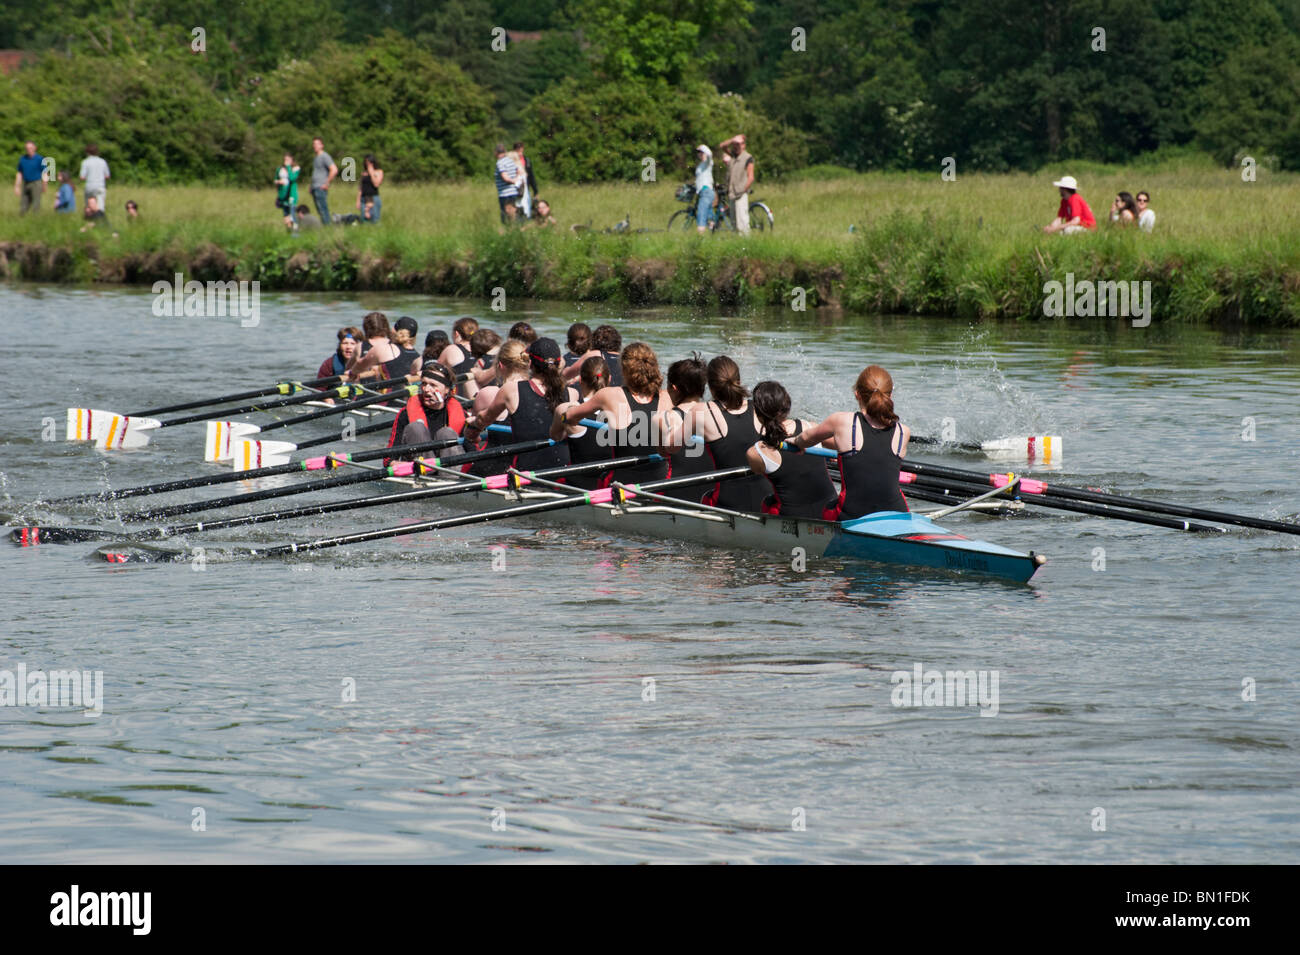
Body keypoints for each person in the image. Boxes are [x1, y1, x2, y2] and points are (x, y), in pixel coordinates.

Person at [787, 365, 911, 520]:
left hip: (852, 514)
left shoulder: (841, 420)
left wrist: (796, 442)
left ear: (857, 394)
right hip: (897, 513)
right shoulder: (903, 431)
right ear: (890, 395)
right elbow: (873, 451)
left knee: (826, 509)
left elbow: (806, 439)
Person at [554, 342, 672, 486]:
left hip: (621, 483)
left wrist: (566, 411)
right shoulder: (667, 397)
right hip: (660, 481)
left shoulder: (610, 394)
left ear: (623, 370)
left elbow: (571, 417)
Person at [673, 355, 769, 511]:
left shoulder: (701, 410)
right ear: (738, 381)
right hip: (766, 498)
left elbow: (671, 447)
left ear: (709, 387)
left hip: (727, 502)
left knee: (705, 497)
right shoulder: (760, 407)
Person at [465, 338, 573, 473]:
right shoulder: (572, 393)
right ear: (559, 363)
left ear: (530, 363)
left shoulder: (511, 390)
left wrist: (473, 428)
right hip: (562, 472)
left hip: (525, 475)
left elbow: (484, 419)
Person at [745, 381, 839, 520]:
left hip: (794, 519)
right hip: (830, 512)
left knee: (768, 502)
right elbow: (840, 445)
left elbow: (758, 471)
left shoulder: (756, 452)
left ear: (758, 414)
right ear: (787, 405)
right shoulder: (811, 428)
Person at [462, 339, 530, 476]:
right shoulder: (542, 393)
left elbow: (473, 437)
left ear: (500, 365)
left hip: (495, 469)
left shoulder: (488, 394)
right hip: (529, 467)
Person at [659, 355, 714, 501]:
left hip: (675, 494)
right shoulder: (717, 414)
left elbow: (662, 454)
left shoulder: (667, 417)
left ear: (674, 388)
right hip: (711, 493)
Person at [554, 355, 613, 489]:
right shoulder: (622, 413)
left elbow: (555, 436)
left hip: (576, 487)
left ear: (580, 380)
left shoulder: (568, 410)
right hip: (607, 488)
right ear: (609, 379)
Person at [388, 361, 466, 454]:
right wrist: (393, 463)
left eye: (433, 385)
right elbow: (389, 457)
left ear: (447, 390)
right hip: (420, 464)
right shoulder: (405, 413)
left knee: (446, 433)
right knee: (416, 427)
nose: (426, 389)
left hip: (448, 465)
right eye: (424, 384)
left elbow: (473, 451)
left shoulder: (462, 415)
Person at [345, 311, 403, 384]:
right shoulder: (395, 346)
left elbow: (348, 368)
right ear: (386, 327)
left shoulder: (360, 346)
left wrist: (350, 372)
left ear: (365, 328)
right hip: (391, 388)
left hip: (365, 391)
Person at [718, 134, 754, 235]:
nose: (736, 147)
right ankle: (737, 245)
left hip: (740, 194)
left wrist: (743, 190)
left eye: (738, 144)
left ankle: (746, 245)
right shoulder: (733, 156)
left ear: (744, 145)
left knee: (742, 223)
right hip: (732, 194)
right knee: (734, 223)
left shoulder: (748, 158)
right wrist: (732, 140)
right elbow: (722, 146)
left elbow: (751, 177)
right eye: (735, 145)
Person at [494, 142, 524, 224]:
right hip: (513, 192)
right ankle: (518, 227)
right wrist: (516, 179)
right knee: (514, 212)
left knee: (505, 215)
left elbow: (505, 177)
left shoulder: (500, 163)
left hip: (504, 193)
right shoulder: (510, 161)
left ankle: (508, 230)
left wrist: (512, 181)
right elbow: (518, 171)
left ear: (496, 152)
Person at [310, 137, 338, 225]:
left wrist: (327, 183)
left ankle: (327, 226)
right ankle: (325, 225)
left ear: (322, 145)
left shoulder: (324, 156)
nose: (315, 146)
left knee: (323, 208)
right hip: (315, 186)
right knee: (319, 209)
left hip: (321, 187)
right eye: (314, 144)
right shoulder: (316, 158)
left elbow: (334, 169)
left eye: (317, 144)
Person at [15, 140, 45, 214]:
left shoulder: (40, 159)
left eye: (30, 148)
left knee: (36, 203)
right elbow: (19, 173)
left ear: (35, 148)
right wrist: (17, 186)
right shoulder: (23, 159)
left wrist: (44, 184)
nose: (29, 150)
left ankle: (35, 219)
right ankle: (22, 218)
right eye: (27, 148)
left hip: (36, 183)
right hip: (26, 182)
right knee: (23, 202)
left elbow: (45, 173)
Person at [79, 144, 110, 213]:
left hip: (89, 186)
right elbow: (107, 176)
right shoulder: (102, 161)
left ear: (87, 152)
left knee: (89, 205)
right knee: (100, 206)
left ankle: (90, 219)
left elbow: (82, 177)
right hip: (100, 186)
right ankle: (100, 219)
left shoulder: (85, 162)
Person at [692, 144, 715, 234]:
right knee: (709, 217)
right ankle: (712, 235)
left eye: (701, 153)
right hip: (702, 192)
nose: (700, 154)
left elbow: (710, 155)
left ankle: (700, 237)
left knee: (701, 214)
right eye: (699, 153)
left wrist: (703, 148)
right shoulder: (701, 165)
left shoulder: (708, 163)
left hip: (706, 191)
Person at [275, 153, 300, 229]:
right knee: (286, 215)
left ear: (292, 160)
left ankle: (295, 232)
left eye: (288, 160)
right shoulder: (280, 169)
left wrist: (288, 167)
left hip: (292, 195)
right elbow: (275, 179)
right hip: (283, 195)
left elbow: (292, 178)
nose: (286, 161)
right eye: (285, 160)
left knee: (292, 214)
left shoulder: (296, 168)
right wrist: (278, 182)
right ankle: (289, 231)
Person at [359, 154, 383, 224]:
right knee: (364, 220)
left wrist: (371, 172)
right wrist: (358, 200)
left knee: (375, 220)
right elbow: (361, 188)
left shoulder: (379, 172)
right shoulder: (363, 173)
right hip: (364, 198)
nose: (368, 164)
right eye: (366, 162)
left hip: (373, 197)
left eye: (370, 162)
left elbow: (376, 184)